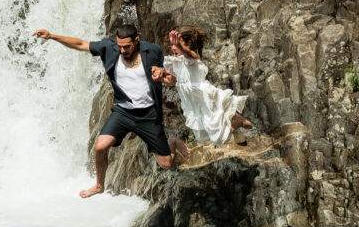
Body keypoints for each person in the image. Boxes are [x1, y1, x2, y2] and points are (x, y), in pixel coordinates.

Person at [32, 23, 189, 198]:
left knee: (166, 164)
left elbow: (173, 80)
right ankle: (99, 185)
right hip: (123, 112)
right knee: (100, 147)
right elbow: (80, 44)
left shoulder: (152, 51)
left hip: (148, 114)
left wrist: (162, 75)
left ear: (136, 41)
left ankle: (172, 141)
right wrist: (52, 36)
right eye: (120, 46)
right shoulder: (109, 48)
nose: (122, 51)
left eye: (127, 47)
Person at [163, 26, 252, 146]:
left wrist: (180, 47)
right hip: (192, 101)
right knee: (202, 136)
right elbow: (177, 81)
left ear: (188, 43)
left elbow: (189, 54)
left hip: (203, 96)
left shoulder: (191, 58)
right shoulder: (176, 62)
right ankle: (236, 119)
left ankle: (237, 121)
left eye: (176, 44)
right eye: (171, 44)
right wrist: (161, 79)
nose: (173, 47)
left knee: (217, 133)